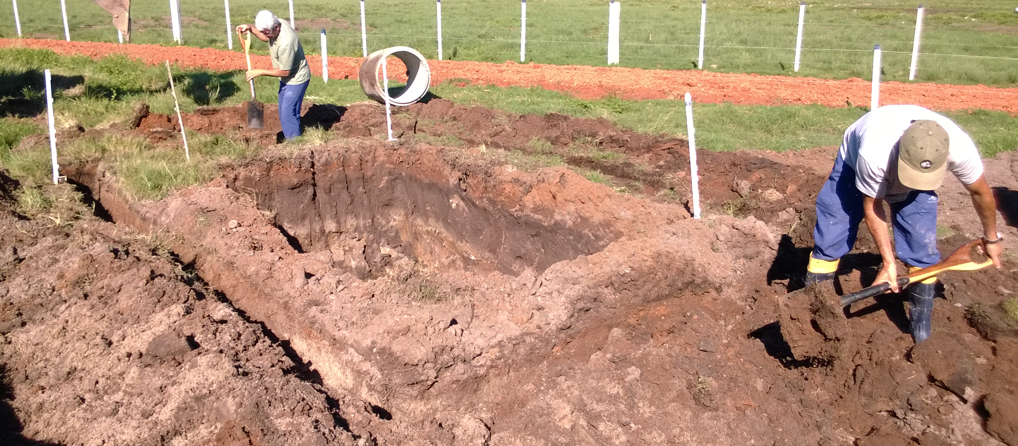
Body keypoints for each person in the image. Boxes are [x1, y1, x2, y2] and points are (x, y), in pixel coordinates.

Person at [806, 104, 1003, 343]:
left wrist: (991, 238)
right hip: (854, 160)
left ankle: (921, 332)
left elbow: (981, 194)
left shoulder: (959, 149)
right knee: (833, 230)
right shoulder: (874, 153)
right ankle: (812, 316)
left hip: (908, 158)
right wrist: (888, 262)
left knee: (921, 246)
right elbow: (872, 206)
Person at [236, 10, 311, 140]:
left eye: (267, 33)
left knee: (287, 113)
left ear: (276, 28)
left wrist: (259, 72)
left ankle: (293, 144)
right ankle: (294, 134)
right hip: (287, 78)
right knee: (285, 111)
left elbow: (284, 71)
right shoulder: (277, 23)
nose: (266, 36)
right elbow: (266, 36)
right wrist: (250, 28)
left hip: (296, 79)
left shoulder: (286, 43)